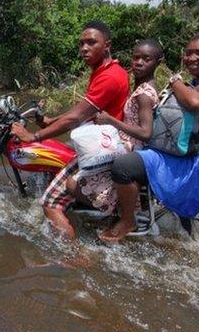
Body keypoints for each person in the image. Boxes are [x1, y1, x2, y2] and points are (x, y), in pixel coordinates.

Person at [101, 31, 199, 243]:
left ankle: (127, 220)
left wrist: (175, 82)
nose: (192, 58)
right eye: (189, 53)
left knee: (123, 166)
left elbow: (196, 102)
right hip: (188, 148)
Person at [11, 20, 129, 239]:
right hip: (100, 140)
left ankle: (73, 258)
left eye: (91, 42)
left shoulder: (109, 76)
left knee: (50, 202)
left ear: (107, 45)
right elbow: (84, 111)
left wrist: (33, 136)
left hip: (103, 147)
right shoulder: (104, 70)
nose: (84, 48)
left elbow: (76, 118)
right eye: (82, 43)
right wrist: (51, 120)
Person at [66, 39, 163, 215]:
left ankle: (111, 209)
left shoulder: (144, 94)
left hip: (131, 148)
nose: (139, 63)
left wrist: (111, 120)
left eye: (146, 59)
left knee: (73, 184)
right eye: (136, 58)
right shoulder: (143, 87)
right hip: (126, 144)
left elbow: (146, 132)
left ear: (158, 62)